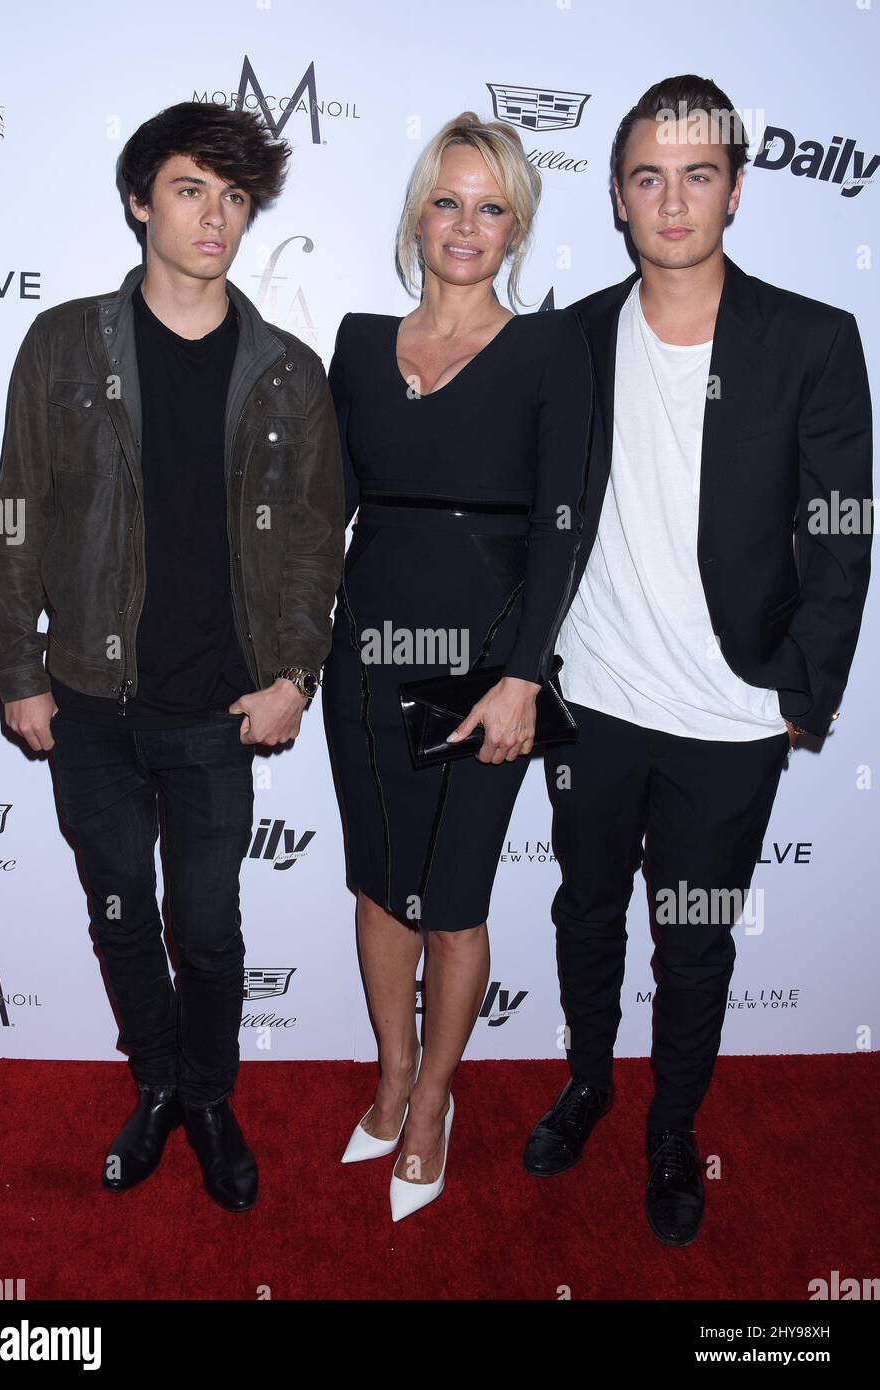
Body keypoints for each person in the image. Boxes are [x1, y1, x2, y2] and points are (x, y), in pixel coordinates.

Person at [523, 75, 873, 1246]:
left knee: (698, 937)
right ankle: (587, 1079)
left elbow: (842, 527)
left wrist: (803, 695)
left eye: (698, 174)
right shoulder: (571, 335)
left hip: (733, 717)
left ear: (733, 189)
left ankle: (673, 1127)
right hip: (597, 699)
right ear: (620, 199)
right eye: (647, 177)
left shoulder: (812, 339)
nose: (673, 201)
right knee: (584, 915)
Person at [0, 101, 345, 1213]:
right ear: (141, 200)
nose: (216, 218)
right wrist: (17, 668)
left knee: (210, 925)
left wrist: (294, 678)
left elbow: (316, 538)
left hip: (218, 713)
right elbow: (14, 516)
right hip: (88, 703)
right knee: (120, 916)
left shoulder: (287, 372)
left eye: (236, 198)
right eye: (192, 190)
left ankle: (212, 1097)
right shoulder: (63, 345)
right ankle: (154, 1087)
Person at [323, 112, 592, 1221]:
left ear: (517, 224)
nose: (467, 225)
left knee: (457, 901)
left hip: (487, 666)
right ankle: (390, 1074)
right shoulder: (351, 341)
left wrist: (524, 675)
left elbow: (562, 528)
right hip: (364, 656)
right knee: (382, 879)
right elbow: (311, 517)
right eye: (448, 200)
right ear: (417, 215)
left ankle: (434, 1098)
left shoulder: (550, 349)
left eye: (491, 206)